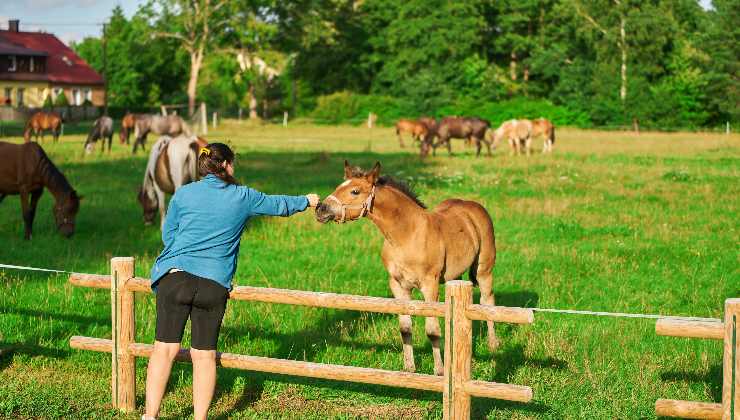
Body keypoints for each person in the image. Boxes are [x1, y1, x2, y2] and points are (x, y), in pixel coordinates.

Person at [142, 143, 319, 420]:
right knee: (204, 357)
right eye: (232, 163)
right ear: (225, 165)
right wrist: (306, 200)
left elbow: (169, 234)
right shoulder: (243, 196)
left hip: (175, 279)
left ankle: (149, 416)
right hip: (213, 285)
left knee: (164, 351)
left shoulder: (183, 194)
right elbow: (278, 205)